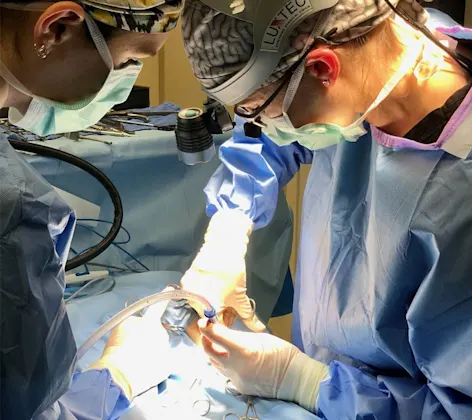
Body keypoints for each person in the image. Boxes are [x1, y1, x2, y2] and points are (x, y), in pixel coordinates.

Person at [180, 0, 472, 418]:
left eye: (262, 111)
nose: (263, 128)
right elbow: (269, 139)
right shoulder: (379, 49)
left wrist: (302, 381)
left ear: (322, 69)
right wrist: (228, 228)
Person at [0, 1, 185, 418]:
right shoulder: (10, 212)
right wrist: (114, 378)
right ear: (56, 28)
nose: (127, 78)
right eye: (130, 59)